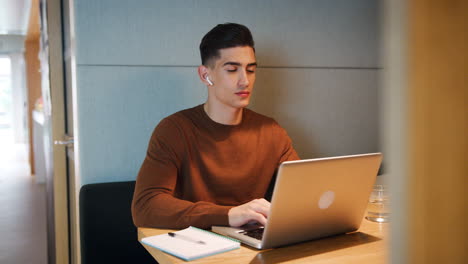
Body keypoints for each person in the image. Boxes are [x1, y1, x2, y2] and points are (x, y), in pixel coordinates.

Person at [132, 23, 299, 230]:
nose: (244, 81)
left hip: (253, 245)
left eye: (251, 70)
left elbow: (301, 193)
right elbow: (146, 207)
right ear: (205, 75)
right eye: (232, 70)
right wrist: (228, 214)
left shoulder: (271, 131)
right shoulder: (174, 130)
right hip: (196, 246)